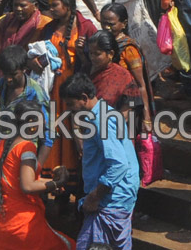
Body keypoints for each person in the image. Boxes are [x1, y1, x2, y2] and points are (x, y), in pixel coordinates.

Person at [59, 74, 139, 250]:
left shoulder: (100, 121)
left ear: (84, 98)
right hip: (115, 199)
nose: (70, 110)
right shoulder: (104, 113)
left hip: (109, 201)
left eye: (71, 105)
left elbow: (118, 164)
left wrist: (95, 197)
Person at [0, 100, 74, 250]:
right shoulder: (27, 147)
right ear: (32, 122)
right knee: (68, 245)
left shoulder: (2, 145)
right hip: (21, 223)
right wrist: (57, 183)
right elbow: (27, 186)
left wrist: (48, 183)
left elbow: (15, 180)